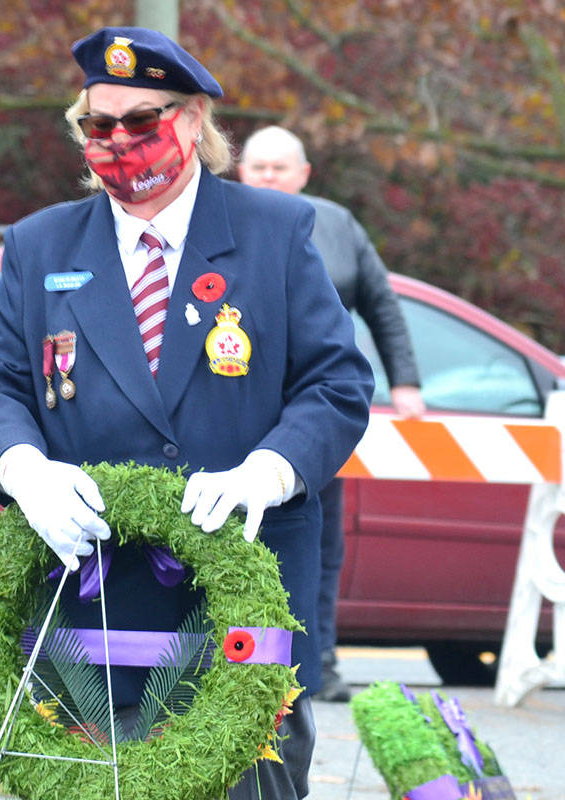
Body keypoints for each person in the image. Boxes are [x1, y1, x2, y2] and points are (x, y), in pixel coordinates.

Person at [0, 26, 374, 800]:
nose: (117, 142)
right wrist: (25, 470)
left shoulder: (272, 232)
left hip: (243, 607)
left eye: (140, 122)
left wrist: (269, 471)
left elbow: (337, 384)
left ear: (191, 121)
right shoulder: (41, 245)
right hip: (88, 612)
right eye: (98, 126)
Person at [239, 125, 424, 702]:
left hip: (319, 410)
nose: (268, 177)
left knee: (320, 541)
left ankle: (318, 659)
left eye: (279, 168)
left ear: (303, 174)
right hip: (240, 401)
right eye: (258, 167)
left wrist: (407, 382)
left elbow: (383, 306)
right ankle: (231, 658)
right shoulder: (216, 221)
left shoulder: (339, 224)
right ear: (240, 171)